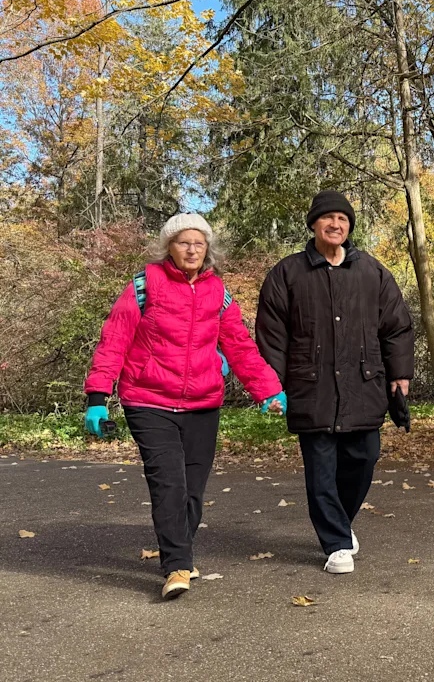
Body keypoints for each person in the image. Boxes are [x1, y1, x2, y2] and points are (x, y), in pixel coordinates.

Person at [84, 213, 285, 600]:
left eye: (198, 242)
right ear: (168, 247)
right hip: (148, 400)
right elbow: (115, 339)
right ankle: (176, 565)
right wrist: (97, 396)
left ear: (207, 248)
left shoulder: (218, 292)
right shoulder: (144, 286)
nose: (191, 249)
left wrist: (268, 391)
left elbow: (240, 347)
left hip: (202, 404)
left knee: (193, 491)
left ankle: (178, 548)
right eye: (182, 242)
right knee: (168, 484)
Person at [255, 190, 414, 575]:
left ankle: (339, 522)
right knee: (321, 471)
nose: (335, 225)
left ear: (349, 226)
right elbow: (272, 334)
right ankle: (337, 543)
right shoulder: (288, 273)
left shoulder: (372, 272)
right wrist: (271, 385)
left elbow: (397, 327)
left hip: (364, 385)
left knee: (364, 459)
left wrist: (400, 374)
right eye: (328, 218)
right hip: (311, 388)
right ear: (313, 224)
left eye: (343, 219)